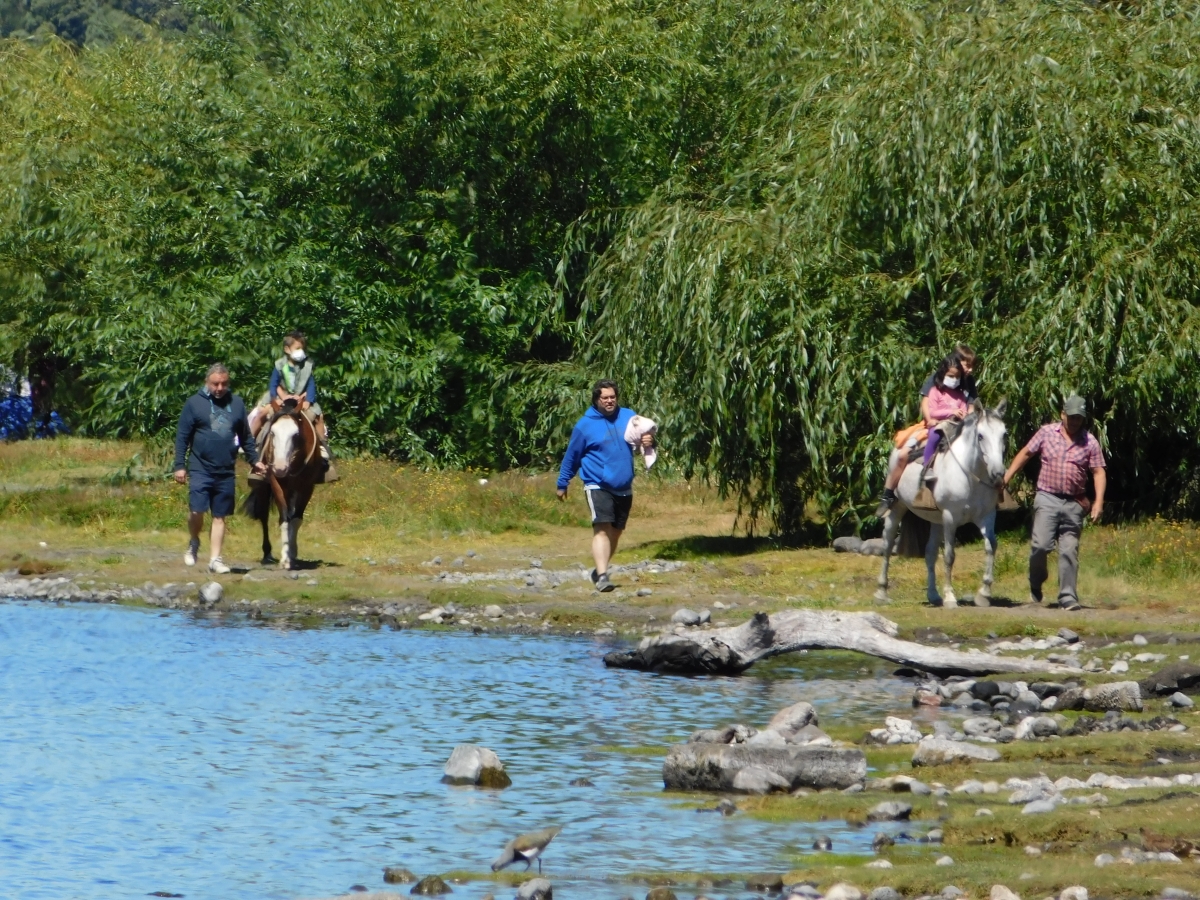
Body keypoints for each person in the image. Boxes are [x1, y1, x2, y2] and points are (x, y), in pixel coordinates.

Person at [1002, 394, 1107, 611]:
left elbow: (1098, 472)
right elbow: (1026, 453)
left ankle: (1068, 597)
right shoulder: (1047, 433)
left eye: (1079, 418)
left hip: (1074, 503)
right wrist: (1007, 477)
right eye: (1071, 417)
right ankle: (1036, 581)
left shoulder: (1090, 442)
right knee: (1040, 545)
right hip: (1047, 498)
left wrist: (1098, 502)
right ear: (1062, 414)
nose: (1075, 422)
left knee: (1069, 550)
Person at [556, 380, 655, 592]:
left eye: (612, 397)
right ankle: (602, 576)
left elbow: (643, 439)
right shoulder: (585, 425)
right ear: (596, 399)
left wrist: (649, 441)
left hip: (624, 483)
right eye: (605, 398)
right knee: (602, 528)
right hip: (597, 483)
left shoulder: (629, 416)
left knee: (616, 532)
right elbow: (572, 456)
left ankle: (598, 570)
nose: (609, 401)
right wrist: (562, 482)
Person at [174, 364, 265, 574]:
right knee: (197, 510)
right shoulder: (194, 404)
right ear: (208, 382)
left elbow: (246, 438)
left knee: (219, 515)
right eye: (215, 383)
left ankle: (215, 559)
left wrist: (255, 461)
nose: (220, 387)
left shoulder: (237, 404)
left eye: (224, 383)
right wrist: (180, 465)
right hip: (200, 467)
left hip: (225, 469)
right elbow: (182, 437)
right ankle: (194, 541)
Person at [877, 352, 970, 514]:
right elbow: (932, 410)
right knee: (922, 442)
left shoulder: (962, 392)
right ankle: (922, 470)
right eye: (951, 376)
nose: (954, 379)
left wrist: (964, 413)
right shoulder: (935, 390)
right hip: (937, 425)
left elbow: (965, 407)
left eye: (957, 376)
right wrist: (950, 411)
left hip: (957, 426)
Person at [265, 331, 337, 481]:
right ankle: (256, 446)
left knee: (318, 417)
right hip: (280, 400)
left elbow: (311, 385)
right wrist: (277, 398)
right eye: (297, 348)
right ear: (287, 349)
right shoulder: (279, 365)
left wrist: (308, 400)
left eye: (302, 348)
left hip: (300, 401)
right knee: (262, 414)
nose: (301, 352)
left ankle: (322, 449)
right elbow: (273, 384)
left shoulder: (307, 366)